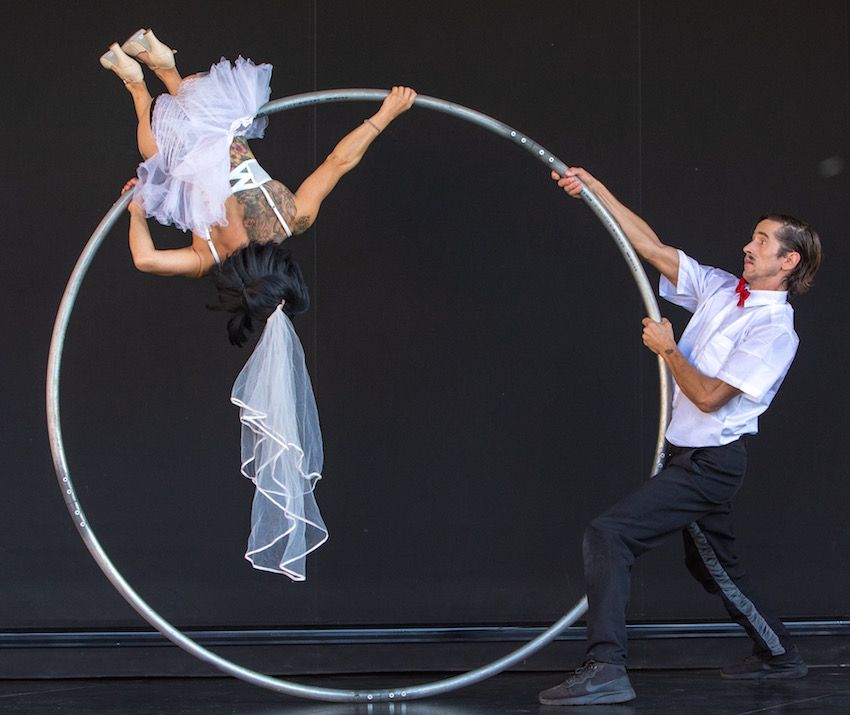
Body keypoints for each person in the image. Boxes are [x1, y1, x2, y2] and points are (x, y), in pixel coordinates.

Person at [100, 29, 416, 581]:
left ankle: (158, 64)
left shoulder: (287, 218)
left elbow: (340, 162)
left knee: (198, 128)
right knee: (157, 150)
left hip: (212, 126)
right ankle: (137, 81)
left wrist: (386, 113)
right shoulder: (209, 254)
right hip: (176, 137)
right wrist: (135, 208)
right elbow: (147, 261)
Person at [539, 167, 822, 706]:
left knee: (608, 535)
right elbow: (648, 245)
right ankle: (781, 654)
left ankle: (606, 669)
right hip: (687, 456)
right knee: (716, 564)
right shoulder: (722, 290)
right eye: (752, 234)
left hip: (710, 465)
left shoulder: (773, 331)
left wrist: (669, 350)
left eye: (762, 240)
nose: (748, 244)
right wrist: (596, 190)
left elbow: (712, 397)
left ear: (789, 261)